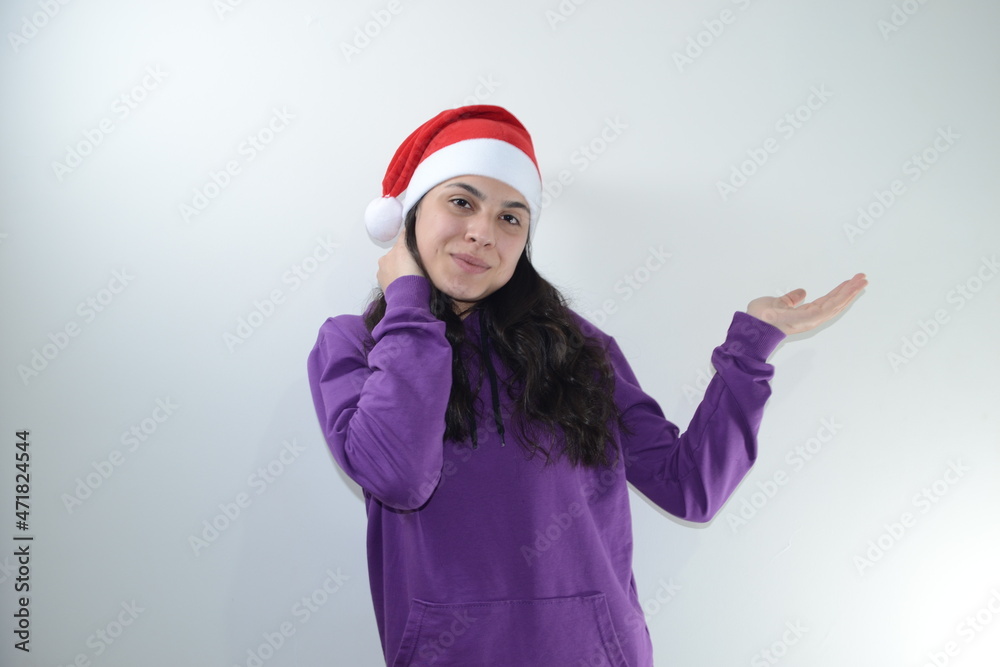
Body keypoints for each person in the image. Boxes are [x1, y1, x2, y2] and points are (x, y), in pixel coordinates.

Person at [306, 105, 867, 667]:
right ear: (408, 218)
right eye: (461, 201)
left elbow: (689, 486)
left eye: (511, 218)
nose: (482, 232)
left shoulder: (576, 347)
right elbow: (398, 477)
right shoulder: (356, 345)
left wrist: (752, 349)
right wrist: (408, 305)